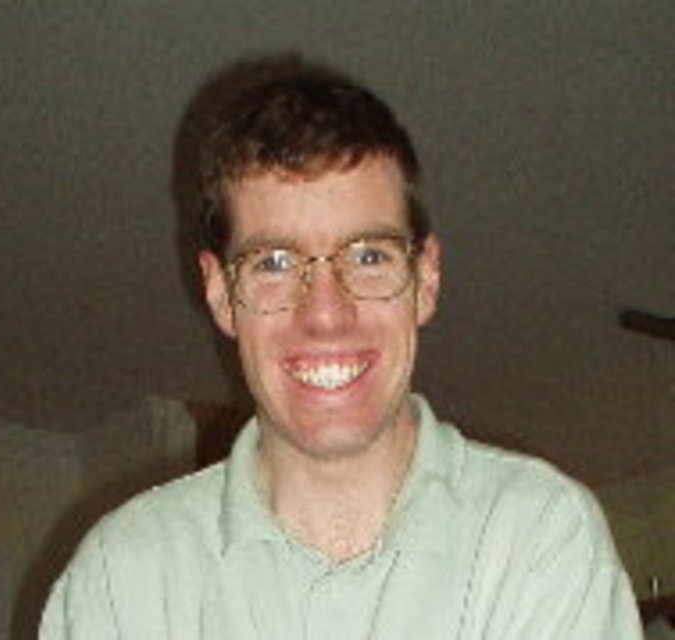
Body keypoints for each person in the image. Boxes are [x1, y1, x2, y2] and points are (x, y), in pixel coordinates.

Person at [40, 58, 643, 639]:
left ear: (426, 278)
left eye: (369, 256)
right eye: (274, 263)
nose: (326, 315)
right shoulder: (121, 576)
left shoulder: (537, 535)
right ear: (221, 294)